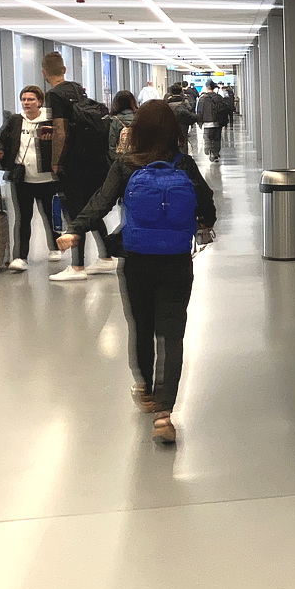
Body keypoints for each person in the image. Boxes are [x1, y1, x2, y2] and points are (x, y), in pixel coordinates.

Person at [57, 100, 216, 444]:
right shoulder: (183, 164)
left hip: (137, 258)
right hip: (176, 259)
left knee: (141, 327)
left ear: (138, 130)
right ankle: (165, 414)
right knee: (172, 334)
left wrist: (75, 229)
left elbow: (102, 201)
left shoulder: (126, 165)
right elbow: (207, 202)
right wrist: (204, 222)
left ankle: (145, 389)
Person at [43, 51, 116, 282]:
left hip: (73, 162)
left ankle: (77, 266)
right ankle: (106, 257)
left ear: (44, 72)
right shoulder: (76, 89)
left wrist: (56, 161)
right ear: (64, 70)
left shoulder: (54, 95)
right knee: (90, 209)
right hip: (93, 160)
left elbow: (61, 131)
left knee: (75, 213)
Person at [0, 85, 57, 272]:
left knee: (50, 215)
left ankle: (55, 245)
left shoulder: (50, 120)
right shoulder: (15, 120)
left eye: (31, 99)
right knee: (23, 218)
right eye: (24, 99)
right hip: (22, 179)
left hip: (47, 178)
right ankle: (20, 256)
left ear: (39, 102)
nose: (26, 103)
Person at [196, 81, 227, 162]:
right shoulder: (219, 97)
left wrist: (199, 122)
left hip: (207, 122)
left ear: (207, 88)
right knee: (216, 138)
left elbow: (200, 111)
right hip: (217, 121)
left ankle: (208, 150)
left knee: (207, 138)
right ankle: (215, 153)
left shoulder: (202, 98)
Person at [165, 83, 197, 154]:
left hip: (171, 123)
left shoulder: (167, 101)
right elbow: (190, 109)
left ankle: (172, 154)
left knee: (171, 139)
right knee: (183, 139)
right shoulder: (184, 100)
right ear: (180, 91)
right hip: (183, 123)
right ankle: (183, 155)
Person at [108, 90, 138, 162]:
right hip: (137, 158)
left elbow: (112, 146)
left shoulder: (115, 121)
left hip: (122, 159)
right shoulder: (140, 117)